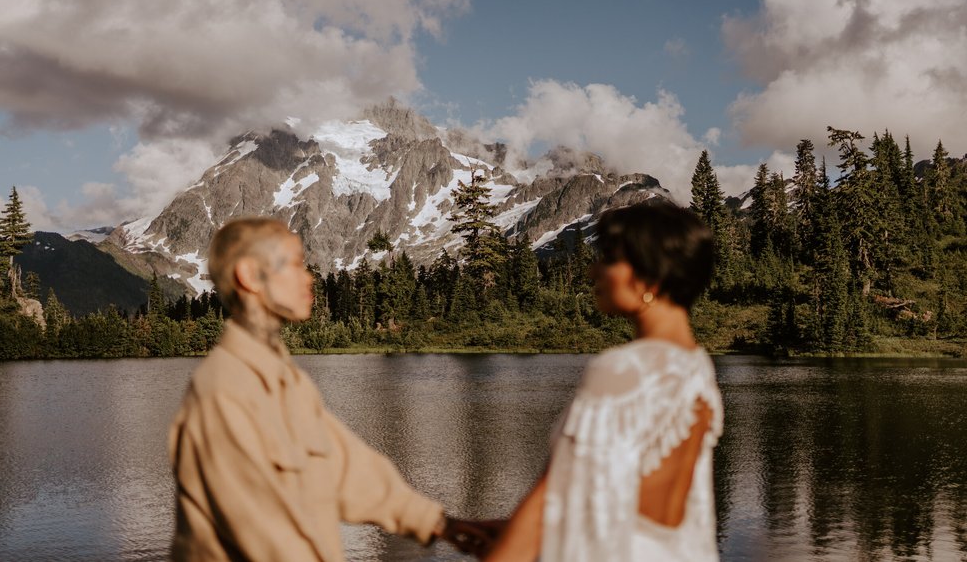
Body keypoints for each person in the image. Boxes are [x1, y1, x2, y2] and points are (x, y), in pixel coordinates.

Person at [168, 217, 491, 561]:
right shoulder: (223, 391)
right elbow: (269, 538)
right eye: (295, 264)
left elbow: (350, 469)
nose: (309, 277)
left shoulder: (287, 381)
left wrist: (445, 525)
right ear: (249, 275)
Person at [484, 202, 724, 561]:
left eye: (609, 259)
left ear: (649, 276)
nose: (592, 271)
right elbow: (646, 507)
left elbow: (551, 500)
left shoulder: (624, 369)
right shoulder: (697, 369)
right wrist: (507, 530)